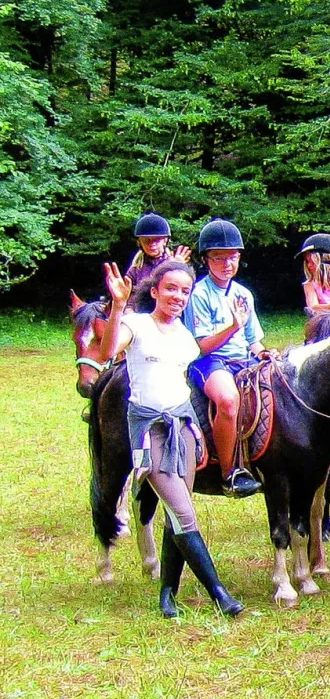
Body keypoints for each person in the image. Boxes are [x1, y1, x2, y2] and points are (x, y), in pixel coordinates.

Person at [94, 258, 243, 617]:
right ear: (156, 290)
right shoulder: (136, 324)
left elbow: (201, 350)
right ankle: (220, 594)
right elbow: (108, 350)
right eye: (172, 289)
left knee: (176, 514)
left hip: (184, 426)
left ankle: (167, 596)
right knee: (184, 511)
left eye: (185, 291)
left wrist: (234, 326)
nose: (178, 296)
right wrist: (117, 305)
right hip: (149, 430)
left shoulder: (182, 334)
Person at [181, 218, 266, 497]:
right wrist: (233, 326)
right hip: (211, 361)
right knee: (228, 400)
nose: (227, 264)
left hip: (243, 358)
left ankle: (270, 459)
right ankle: (229, 473)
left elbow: (253, 340)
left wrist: (264, 352)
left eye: (232, 257)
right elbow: (202, 346)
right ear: (206, 260)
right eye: (219, 258)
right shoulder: (198, 294)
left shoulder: (243, 293)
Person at [125, 214, 190, 292]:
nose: (152, 244)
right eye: (146, 240)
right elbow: (127, 298)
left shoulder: (174, 262)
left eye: (157, 240)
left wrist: (177, 269)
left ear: (165, 241)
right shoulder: (135, 270)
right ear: (139, 242)